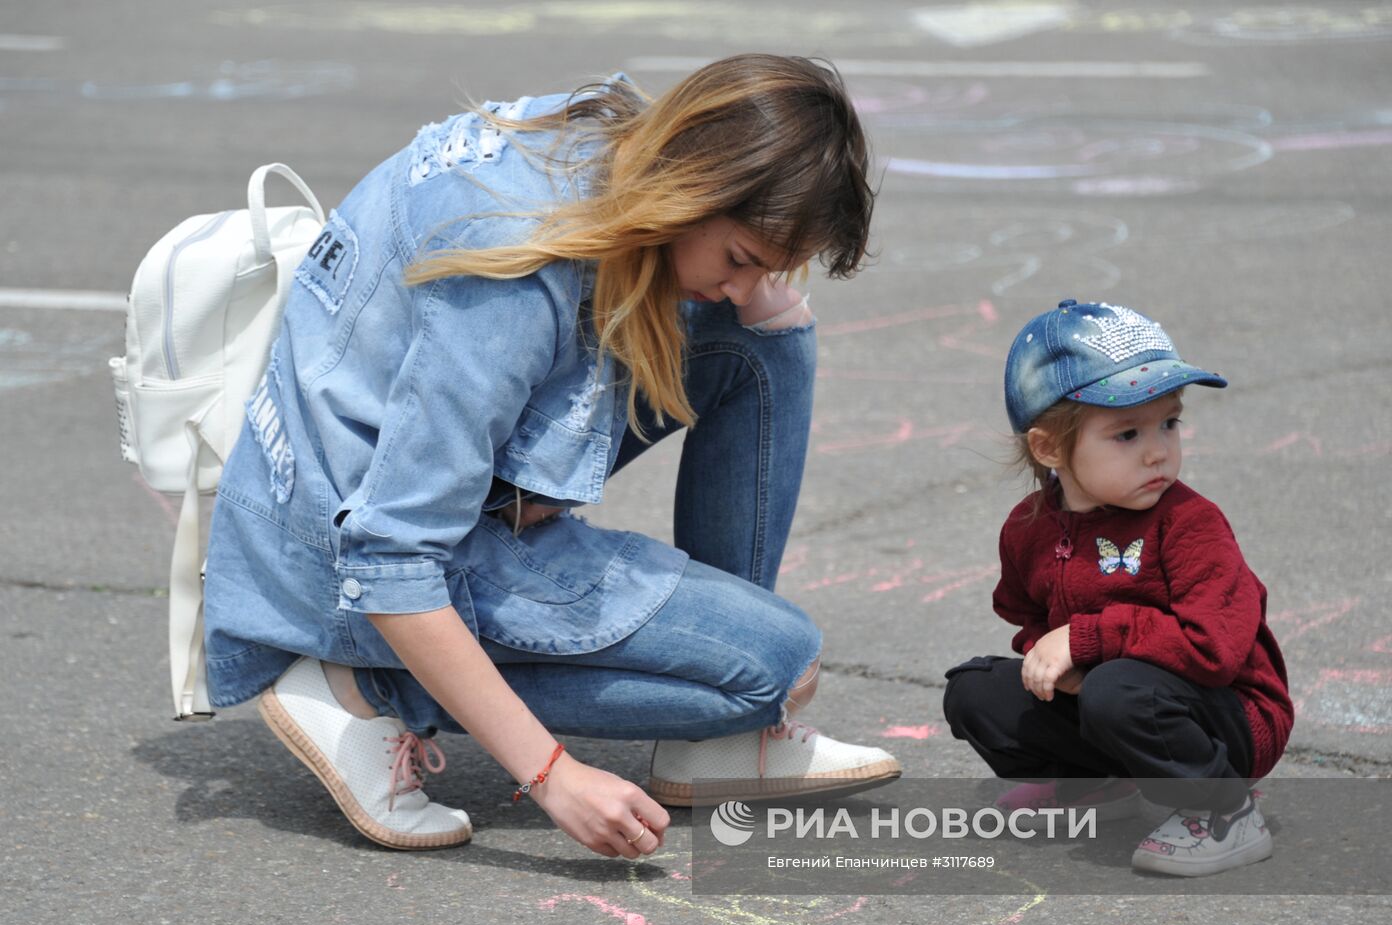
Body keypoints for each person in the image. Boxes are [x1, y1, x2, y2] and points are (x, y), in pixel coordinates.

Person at [202, 54, 902, 859]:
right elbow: (390, 551)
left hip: (386, 473)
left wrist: (758, 290)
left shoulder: (608, 133)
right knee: (773, 665)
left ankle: (722, 736)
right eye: (743, 257)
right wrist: (554, 776)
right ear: (694, 187)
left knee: (762, 340)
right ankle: (358, 687)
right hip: (342, 559)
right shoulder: (511, 272)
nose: (747, 283)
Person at [942, 300, 1293, 876]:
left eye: (1169, 423)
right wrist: (1051, 654)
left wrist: (1086, 641)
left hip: (1228, 721)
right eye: (1127, 433)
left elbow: (1214, 648)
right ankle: (1096, 787)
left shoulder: (1189, 524)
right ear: (1049, 448)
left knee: (1118, 690)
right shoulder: (1029, 527)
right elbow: (1028, 615)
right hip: (1119, 699)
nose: (1158, 450)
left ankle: (1227, 810)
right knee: (977, 692)